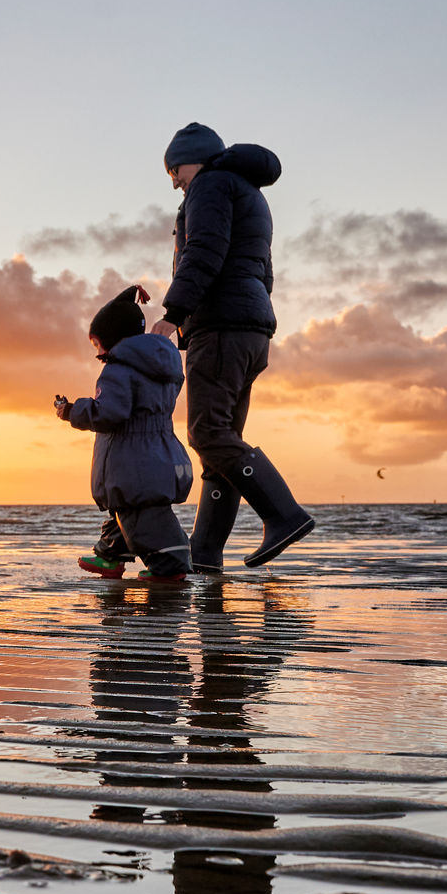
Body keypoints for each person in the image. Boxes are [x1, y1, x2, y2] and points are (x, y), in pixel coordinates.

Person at [152, 122, 314, 571]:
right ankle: (205, 552)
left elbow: (203, 250)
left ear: (193, 159)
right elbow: (264, 272)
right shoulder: (249, 193)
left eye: (174, 171)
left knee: (207, 433)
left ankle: (284, 516)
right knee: (221, 439)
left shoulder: (209, 186)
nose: (174, 182)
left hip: (221, 326)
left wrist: (173, 315)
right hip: (250, 328)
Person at [56, 284, 195, 583]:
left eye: (96, 344)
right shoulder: (161, 366)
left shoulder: (120, 369)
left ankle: (170, 565)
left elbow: (109, 412)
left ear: (111, 339)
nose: (98, 353)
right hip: (158, 452)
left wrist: (71, 411)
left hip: (132, 460)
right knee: (127, 508)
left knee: (139, 514)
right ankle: (110, 555)